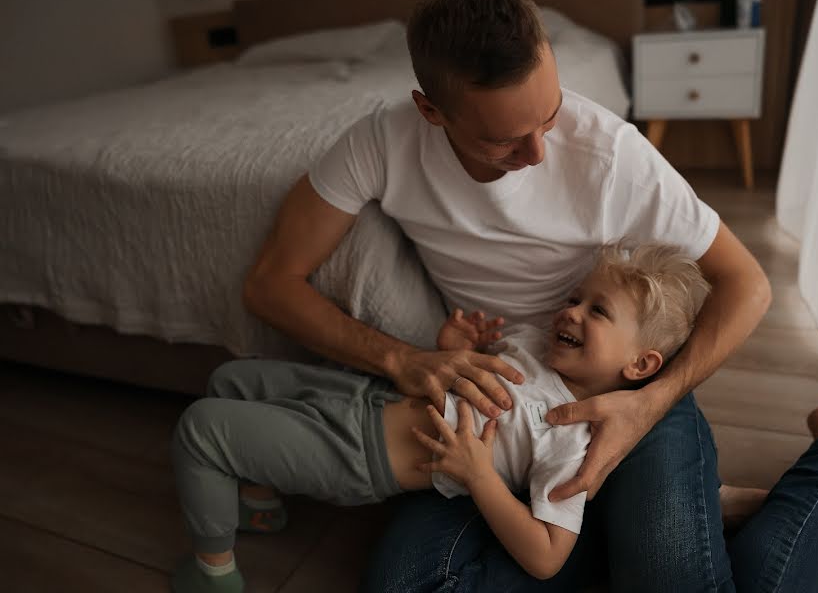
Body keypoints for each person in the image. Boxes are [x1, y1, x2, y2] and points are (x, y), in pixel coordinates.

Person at [203, 0, 818, 590]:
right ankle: (656, 513)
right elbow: (271, 285)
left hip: (614, 391)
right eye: (506, 140)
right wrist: (404, 361)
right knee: (405, 585)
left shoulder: (611, 157)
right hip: (493, 408)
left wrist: (649, 403)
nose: (542, 153)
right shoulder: (380, 144)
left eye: (548, 115)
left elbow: (747, 282)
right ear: (430, 111)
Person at [169, 241, 712, 591]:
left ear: (640, 364)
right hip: (362, 393)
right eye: (575, 298)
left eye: (597, 311)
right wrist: (452, 345)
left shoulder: (572, 442)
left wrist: (479, 477)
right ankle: (262, 501)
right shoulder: (535, 344)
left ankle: (213, 573)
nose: (569, 311)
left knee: (200, 429)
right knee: (231, 380)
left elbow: (547, 558)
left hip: (361, 454)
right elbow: (457, 373)